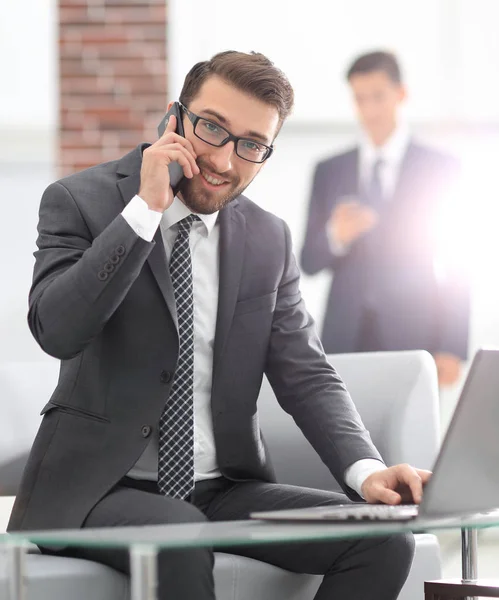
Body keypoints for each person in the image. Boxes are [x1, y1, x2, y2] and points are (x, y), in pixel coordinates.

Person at [9, 50, 429, 600]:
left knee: (382, 539)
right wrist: (144, 209)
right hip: (95, 489)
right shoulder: (79, 201)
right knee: (181, 536)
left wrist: (366, 470)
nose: (226, 161)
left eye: (252, 145)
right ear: (174, 119)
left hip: (220, 488)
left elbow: (305, 372)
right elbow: (57, 329)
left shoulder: (267, 239)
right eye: (213, 128)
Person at [300, 51, 470, 386]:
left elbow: (458, 261)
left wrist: (452, 346)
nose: (369, 110)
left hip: (417, 333)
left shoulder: (441, 168)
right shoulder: (329, 170)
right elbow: (308, 260)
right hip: (343, 339)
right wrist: (337, 235)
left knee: (413, 436)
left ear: (400, 94)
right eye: (360, 99)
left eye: (378, 97)